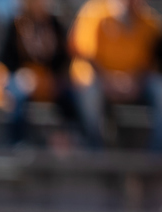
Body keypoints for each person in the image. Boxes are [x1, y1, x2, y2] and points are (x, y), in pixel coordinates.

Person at [0, 0, 78, 146]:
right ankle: (18, 142)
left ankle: (72, 137)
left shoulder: (54, 25)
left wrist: (50, 78)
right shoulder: (14, 24)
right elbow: (1, 61)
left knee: (71, 95)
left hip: (48, 81)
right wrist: (22, 76)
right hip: (19, 79)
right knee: (16, 94)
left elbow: (63, 61)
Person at [69, 0, 162, 150]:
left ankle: (156, 156)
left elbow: (151, 60)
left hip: (134, 82)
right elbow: (85, 54)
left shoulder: (148, 20)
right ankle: (95, 151)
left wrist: (135, 82)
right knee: (89, 89)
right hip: (99, 78)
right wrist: (109, 82)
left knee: (159, 88)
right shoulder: (95, 11)